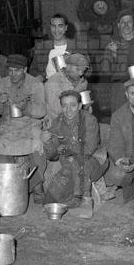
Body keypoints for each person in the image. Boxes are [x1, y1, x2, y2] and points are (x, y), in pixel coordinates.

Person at [0, 54, 47, 202]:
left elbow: (41, 112)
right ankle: (9, 185)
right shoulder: (2, 84)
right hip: (9, 125)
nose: (13, 74)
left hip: (31, 123)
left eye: (17, 71)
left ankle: (37, 186)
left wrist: (26, 108)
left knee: (37, 144)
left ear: (25, 70)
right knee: (1, 143)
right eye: (10, 70)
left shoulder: (35, 84)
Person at [41, 90, 107, 218]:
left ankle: (86, 201)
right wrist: (47, 142)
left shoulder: (89, 120)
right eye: (64, 106)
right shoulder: (58, 122)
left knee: (80, 164)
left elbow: (88, 150)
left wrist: (65, 150)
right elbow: (52, 156)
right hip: (68, 166)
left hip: (93, 162)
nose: (68, 110)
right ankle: (73, 199)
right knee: (49, 201)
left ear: (80, 106)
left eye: (72, 105)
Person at [44, 52, 91, 121]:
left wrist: (86, 107)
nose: (80, 73)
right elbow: (56, 109)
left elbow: (85, 112)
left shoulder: (81, 82)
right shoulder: (53, 81)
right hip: (57, 123)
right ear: (68, 66)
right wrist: (76, 91)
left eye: (83, 71)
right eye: (78, 69)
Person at [31, 13, 76, 81]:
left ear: (66, 28)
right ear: (50, 27)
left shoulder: (76, 47)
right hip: (48, 85)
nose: (56, 30)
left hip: (70, 85)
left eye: (60, 26)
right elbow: (32, 69)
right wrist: (39, 76)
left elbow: (88, 71)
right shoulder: (42, 47)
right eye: (53, 26)